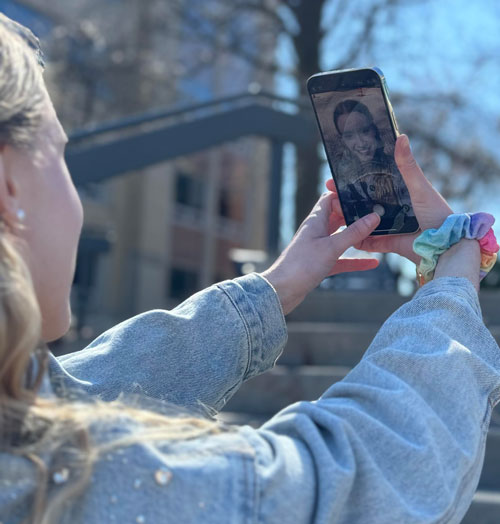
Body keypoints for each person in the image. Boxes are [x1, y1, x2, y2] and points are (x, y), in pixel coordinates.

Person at [0, 12, 499, 524]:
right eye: (60, 156)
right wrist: (457, 269)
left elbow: (80, 392)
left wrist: (275, 287)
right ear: (8, 189)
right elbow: (348, 487)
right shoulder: (61, 481)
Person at [332, 99, 414, 232]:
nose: (360, 143)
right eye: (349, 136)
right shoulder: (343, 180)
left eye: (364, 131)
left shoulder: (398, 168)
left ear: (374, 130)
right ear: (343, 141)